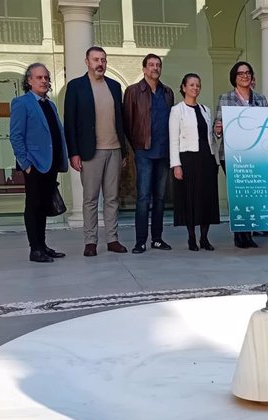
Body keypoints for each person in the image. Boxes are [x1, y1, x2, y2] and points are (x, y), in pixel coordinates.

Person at [64, 46, 128, 257]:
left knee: (112, 198)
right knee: (90, 198)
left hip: (115, 149)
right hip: (90, 151)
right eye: (96, 60)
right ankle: (90, 242)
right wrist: (73, 152)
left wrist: (125, 151)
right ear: (87, 62)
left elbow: (121, 121)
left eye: (103, 60)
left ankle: (112, 239)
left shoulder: (114, 86)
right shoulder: (75, 87)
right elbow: (70, 122)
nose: (100, 64)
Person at [9, 63, 68, 263]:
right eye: (39, 77)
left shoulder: (49, 104)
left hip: (50, 163)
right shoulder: (21, 103)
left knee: (43, 205)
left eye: (46, 77)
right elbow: (16, 136)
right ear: (29, 81)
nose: (44, 81)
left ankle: (42, 246)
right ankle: (35, 249)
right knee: (33, 206)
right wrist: (25, 163)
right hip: (33, 164)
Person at [213, 61, 268, 249]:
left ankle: (249, 233)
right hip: (231, 156)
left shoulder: (261, 99)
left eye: (248, 73)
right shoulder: (225, 98)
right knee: (238, 196)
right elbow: (217, 129)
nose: (245, 76)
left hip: (255, 155)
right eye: (240, 73)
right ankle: (239, 235)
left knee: (252, 195)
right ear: (234, 78)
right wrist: (218, 129)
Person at [123, 53, 174, 254]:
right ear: (144, 69)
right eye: (151, 65)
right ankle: (140, 241)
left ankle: (158, 239)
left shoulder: (168, 92)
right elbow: (127, 122)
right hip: (143, 151)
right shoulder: (133, 91)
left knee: (160, 197)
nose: (155, 68)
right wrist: (133, 149)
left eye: (158, 65)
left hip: (163, 152)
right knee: (143, 197)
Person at [169, 73, 220, 251]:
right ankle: (191, 237)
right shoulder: (177, 110)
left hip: (206, 158)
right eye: (191, 85)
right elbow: (173, 139)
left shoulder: (206, 110)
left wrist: (217, 133)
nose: (195, 88)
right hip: (188, 158)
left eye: (198, 85)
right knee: (190, 198)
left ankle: (204, 238)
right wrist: (176, 165)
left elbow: (210, 136)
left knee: (207, 198)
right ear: (183, 88)